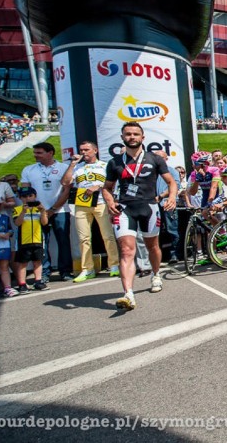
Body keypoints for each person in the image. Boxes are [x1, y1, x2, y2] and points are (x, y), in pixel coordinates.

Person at [102, 122, 178, 311]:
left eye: (136, 134)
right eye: (128, 134)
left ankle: (156, 273)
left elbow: (171, 182)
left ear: (143, 137)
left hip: (150, 207)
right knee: (127, 250)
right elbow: (107, 188)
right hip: (125, 208)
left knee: (153, 246)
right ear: (122, 138)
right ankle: (128, 293)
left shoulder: (155, 159)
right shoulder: (115, 162)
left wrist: (172, 197)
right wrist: (110, 202)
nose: (132, 137)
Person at [61, 141, 120, 281]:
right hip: (81, 204)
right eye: (81, 150)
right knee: (84, 239)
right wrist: (72, 164)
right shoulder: (77, 168)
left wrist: (98, 186)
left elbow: (114, 183)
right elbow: (65, 182)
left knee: (108, 236)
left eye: (87, 150)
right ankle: (87, 269)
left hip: (101, 203)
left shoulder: (105, 166)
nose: (83, 153)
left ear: (95, 150)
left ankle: (114, 265)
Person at [21, 142, 73, 281]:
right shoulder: (28, 169)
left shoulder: (63, 168)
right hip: (38, 212)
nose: (35, 155)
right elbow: (25, 192)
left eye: (39, 152)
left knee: (63, 241)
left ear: (50, 153)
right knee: (41, 243)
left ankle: (65, 271)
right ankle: (44, 272)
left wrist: (53, 208)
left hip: (60, 210)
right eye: (35, 152)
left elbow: (66, 190)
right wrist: (40, 209)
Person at [13, 186, 49, 293]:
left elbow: (44, 223)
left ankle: (38, 281)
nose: (28, 198)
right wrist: (23, 211)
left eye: (30, 196)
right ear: (19, 197)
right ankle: (22, 284)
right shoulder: (17, 209)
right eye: (24, 196)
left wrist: (42, 211)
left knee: (37, 261)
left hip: (38, 240)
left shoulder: (40, 208)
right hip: (23, 241)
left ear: (35, 196)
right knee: (22, 263)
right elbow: (17, 223)